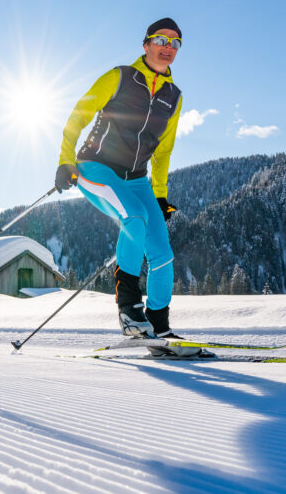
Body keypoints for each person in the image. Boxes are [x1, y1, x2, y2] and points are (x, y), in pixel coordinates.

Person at [55, 17, 188, 346]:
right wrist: (65, 160)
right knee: (134, 217)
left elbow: (164, 151)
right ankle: (129, 310)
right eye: (161, 40)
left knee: (162, 251)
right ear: (145, 45)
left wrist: (160, 196)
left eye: (175, 43)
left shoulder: (174, 96)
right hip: (96, 167)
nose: (168, 47)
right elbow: (78, 116)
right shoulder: (120, 77)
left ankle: (158, 325)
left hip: (137, 179)